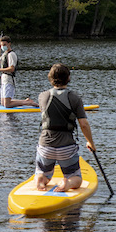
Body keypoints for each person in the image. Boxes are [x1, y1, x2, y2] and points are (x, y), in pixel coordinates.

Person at [34, 63, 97, 193]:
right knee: (76, 178)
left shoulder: (42, 96)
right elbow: (83, 124)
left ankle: (41, 180)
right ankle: (68, 182)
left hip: (45, 146)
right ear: (68, 78)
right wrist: (91, 142)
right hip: (66, 146)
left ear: (50, 78)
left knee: (42, 173)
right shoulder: (74, 98)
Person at [0, 34, 36, 108]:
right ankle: (26, 101)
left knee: (7, 104)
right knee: (3, 103)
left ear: (9, 44)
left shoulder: (11, 54)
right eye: (2, 45)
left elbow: (11, 68)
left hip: (9, 79)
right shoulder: (4, 54)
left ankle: (27, 102)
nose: (3, 46)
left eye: (5, 45)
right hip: (3, 80)